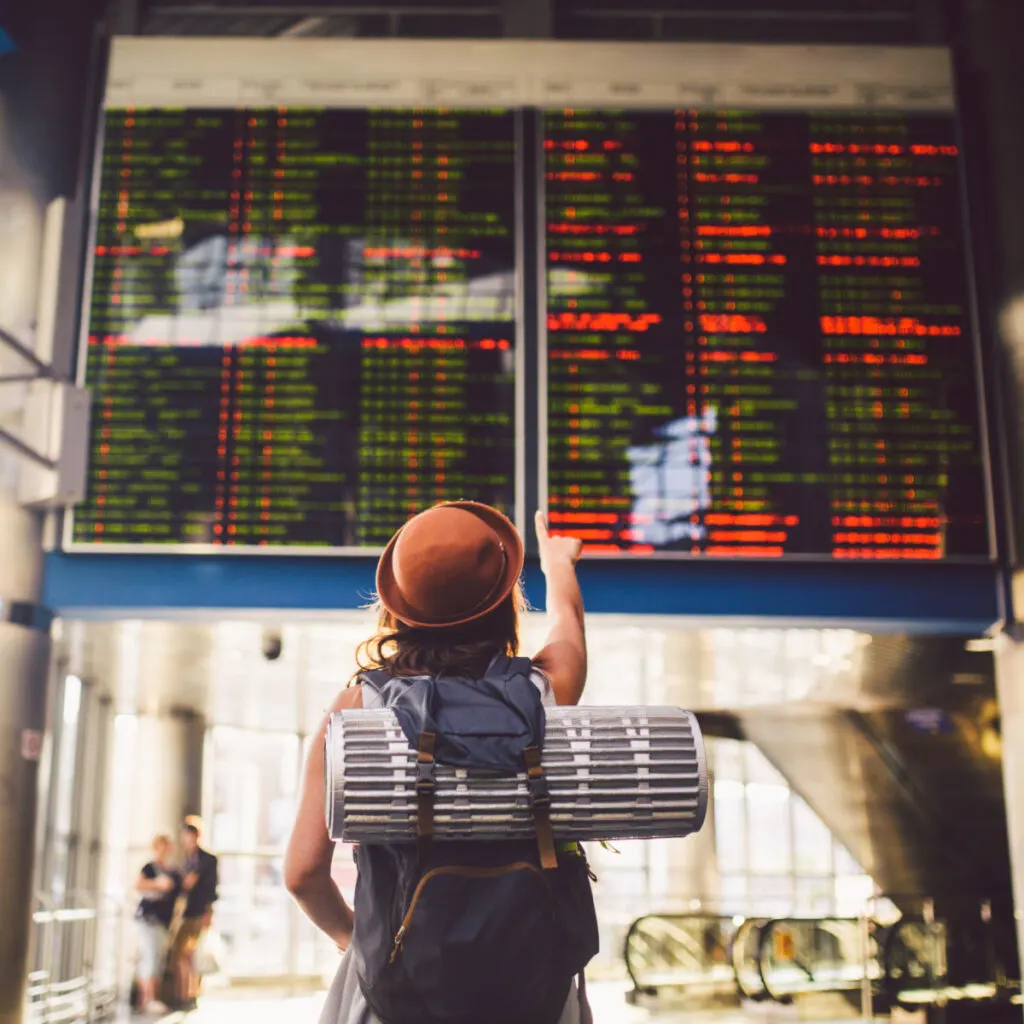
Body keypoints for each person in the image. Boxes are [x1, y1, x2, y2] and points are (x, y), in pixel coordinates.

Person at [285, 504, 589, 1024]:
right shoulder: (544, 693)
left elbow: (302, 873)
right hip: (532, 991)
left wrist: (352, 938)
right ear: (501, 605)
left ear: (401, 608)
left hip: (396, 993)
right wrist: (559, 564)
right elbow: (569, 628)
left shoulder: (356, 710)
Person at [170, 816, 218, 1011]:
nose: (187, 839)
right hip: (186, 913)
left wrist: (208, 912)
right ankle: (185, 993)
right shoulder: (187, 860)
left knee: (190, 954)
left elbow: (210, 888)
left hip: (198, 913)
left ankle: (191, 994)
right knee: (183, 955)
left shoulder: (206, 860)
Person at [133, 835, 181, 1015]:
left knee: (156, 958)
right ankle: (148, 999)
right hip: (147, 919)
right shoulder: (150, 868)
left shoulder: (174, 872)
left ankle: (148, 999)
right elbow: (138, 884)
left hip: (163, 921)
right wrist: (157, 885)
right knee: (150, 957)